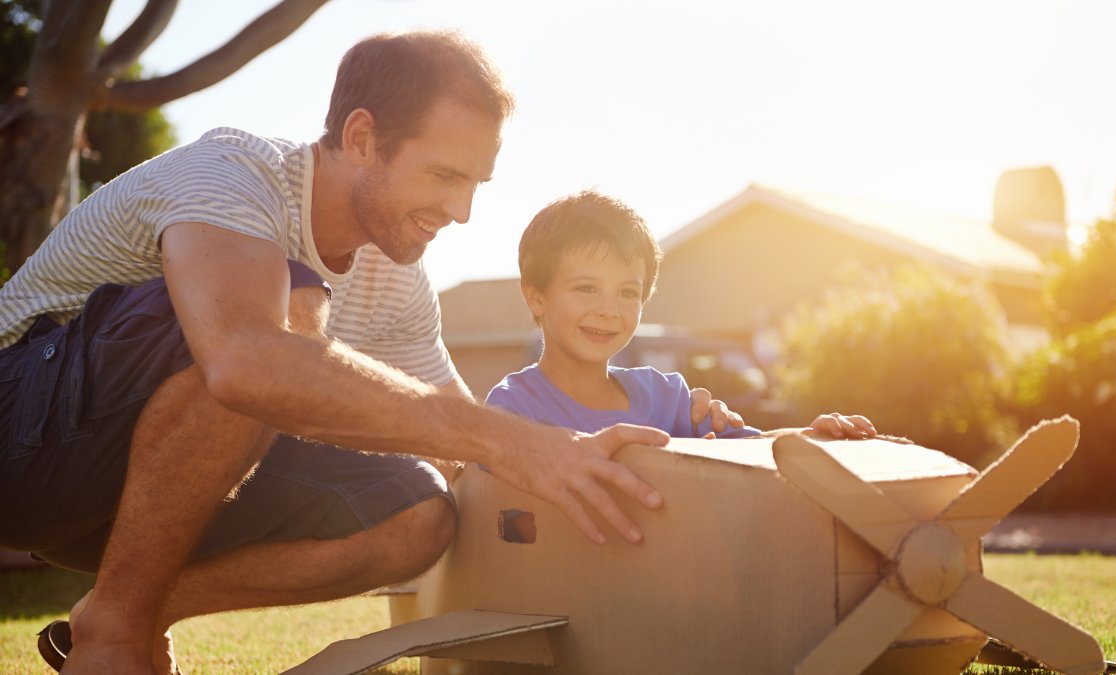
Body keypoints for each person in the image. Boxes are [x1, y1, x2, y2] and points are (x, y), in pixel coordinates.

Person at [0, 33, 733, 675]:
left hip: (129, 497)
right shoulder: (234, 175)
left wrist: (616, 459)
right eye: (446, 175)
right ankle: (116, 646)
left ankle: (117, 611)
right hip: (20, 441)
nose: (463, 211)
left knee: (417, 507)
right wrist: (511, 438)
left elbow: (458, 440)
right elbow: (243, 359)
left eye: (476, 183)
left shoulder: (396, 277)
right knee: (282, 314)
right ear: (360, 138)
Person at [486, 191, 878, 441]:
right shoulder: (513, 410)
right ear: (536, 297)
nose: (608, 309)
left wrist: (810, 436)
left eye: (628, 292)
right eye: (586, 288)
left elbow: (756, 451)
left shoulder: (667, 397)